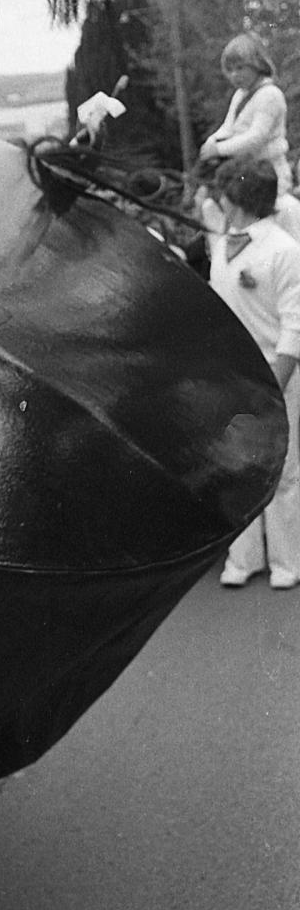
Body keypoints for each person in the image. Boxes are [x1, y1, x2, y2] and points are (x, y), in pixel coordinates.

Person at [207, 157, 300, 589]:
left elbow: (295, 327)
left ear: (234, 198)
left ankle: (288, 562)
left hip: (275, 375)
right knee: (237, 468)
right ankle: (244, 558)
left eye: (221, 193)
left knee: (283, 470)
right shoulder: (221, 243)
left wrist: (274, 388)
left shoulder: (284, 250)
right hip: (231, 376)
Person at [199, 33, 291, 195]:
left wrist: (219, 149)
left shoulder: (270, 94)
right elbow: (229, 128)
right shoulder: (240, 95)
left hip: (271, 175)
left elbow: (256, 138)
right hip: (247, 173)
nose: (234, 75)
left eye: (240, 68)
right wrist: (211, 142)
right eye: (230, 70)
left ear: (257, 65)